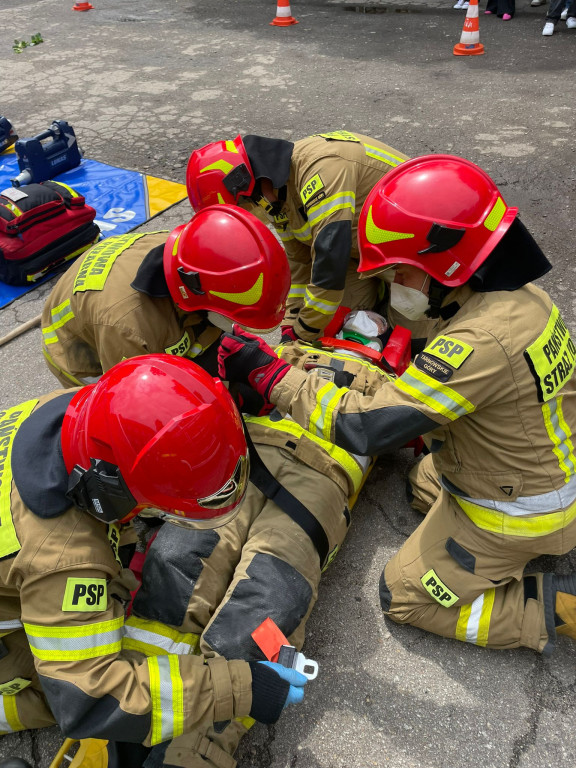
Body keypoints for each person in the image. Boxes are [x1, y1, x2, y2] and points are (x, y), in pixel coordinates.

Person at [216, 153, 576, 657]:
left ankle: (554, 605)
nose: (394, 287)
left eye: (400, 274)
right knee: (422, 480)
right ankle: (503, 549)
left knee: (404, 596)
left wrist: (271, 374)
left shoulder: (479, 341)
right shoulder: (521, 299)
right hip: (539, 467)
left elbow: (363, 429)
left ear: (441, 266)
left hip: (518, 510)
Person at [0, 355, 306, 768]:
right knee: (59, 692)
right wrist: (244, 687)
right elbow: (90, 700)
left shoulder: (77, 414)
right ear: (110, 491)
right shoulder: (63, 558)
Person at [120, 314, 395, 767]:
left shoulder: (389, 388)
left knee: (269, 596)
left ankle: (199, 750)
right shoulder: (287, 354)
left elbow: (415, 427)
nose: (361, 332)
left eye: (372, 331)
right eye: (354, 327)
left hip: (320, 479)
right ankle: (133, 712)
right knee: (175, 559)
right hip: (247, 455)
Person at [185, 132, 432, 349]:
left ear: (250, 184)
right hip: (360, 252)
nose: (259, 217)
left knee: (410, 334)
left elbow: (330, 259)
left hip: (412, 248)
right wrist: (291, 325)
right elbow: (299, 264)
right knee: (337, 331)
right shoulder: (276, 197)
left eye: (248, 208)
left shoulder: (322, 167)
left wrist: (304, 330)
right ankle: (378, 301)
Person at [41, 205, 290, 386]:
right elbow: (136, 404)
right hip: (83, 358)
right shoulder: (128, 327)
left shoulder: (190, 253)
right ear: (194, 294)